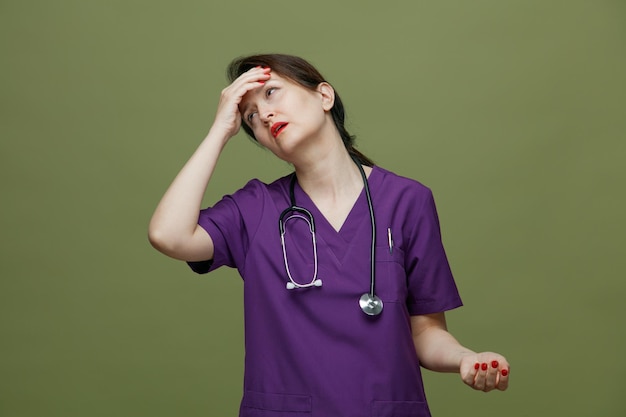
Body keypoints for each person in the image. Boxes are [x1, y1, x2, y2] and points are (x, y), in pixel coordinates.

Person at [148, 53, 509, 417]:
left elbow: (425, 333)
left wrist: (467, 358)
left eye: (272, 93)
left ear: (324, 96)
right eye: (251, 118)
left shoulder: (408, 201)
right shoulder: (254, 208)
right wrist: (219, 130)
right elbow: (168, 234)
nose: (265, 115)